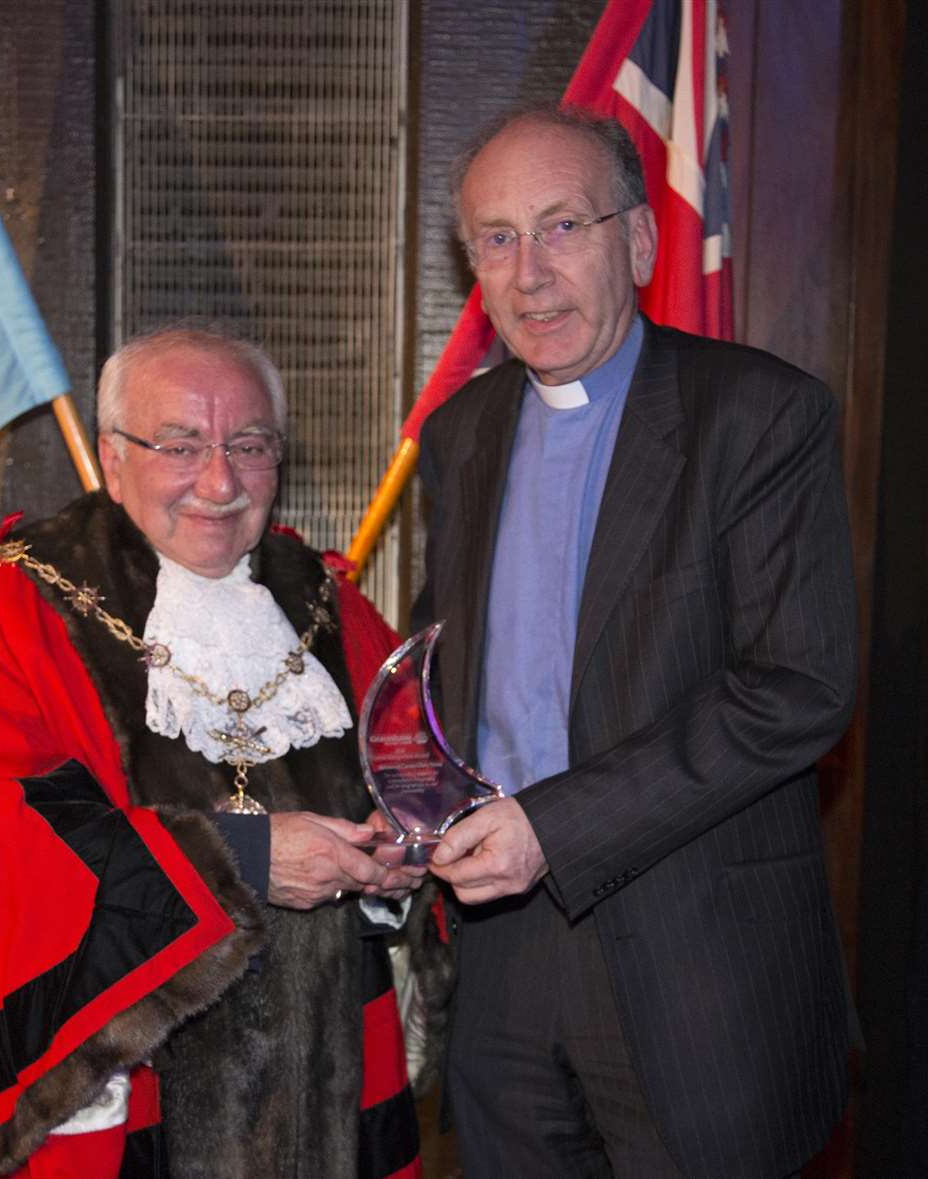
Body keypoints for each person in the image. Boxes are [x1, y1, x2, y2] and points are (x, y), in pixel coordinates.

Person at [413, 105, 858, 1179]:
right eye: (498, 239)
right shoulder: (458, 435)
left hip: (698, 960)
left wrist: (552, 827)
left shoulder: (758, 415)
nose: (530, 274)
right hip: (502, 953)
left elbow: (796, 687)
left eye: (563, 226)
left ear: (643, 241)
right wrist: (408, 803)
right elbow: (451, 668)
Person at [0, 326, 446, 1179]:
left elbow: (412, 777)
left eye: (250, 444)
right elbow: (13, 838)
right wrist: (241, 857)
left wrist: (396, 853)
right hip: (133, 1098)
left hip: (328, 1083)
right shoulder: (14, 605)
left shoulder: (328, 604)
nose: (219, 480)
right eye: (180, 444)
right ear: (111, 455)